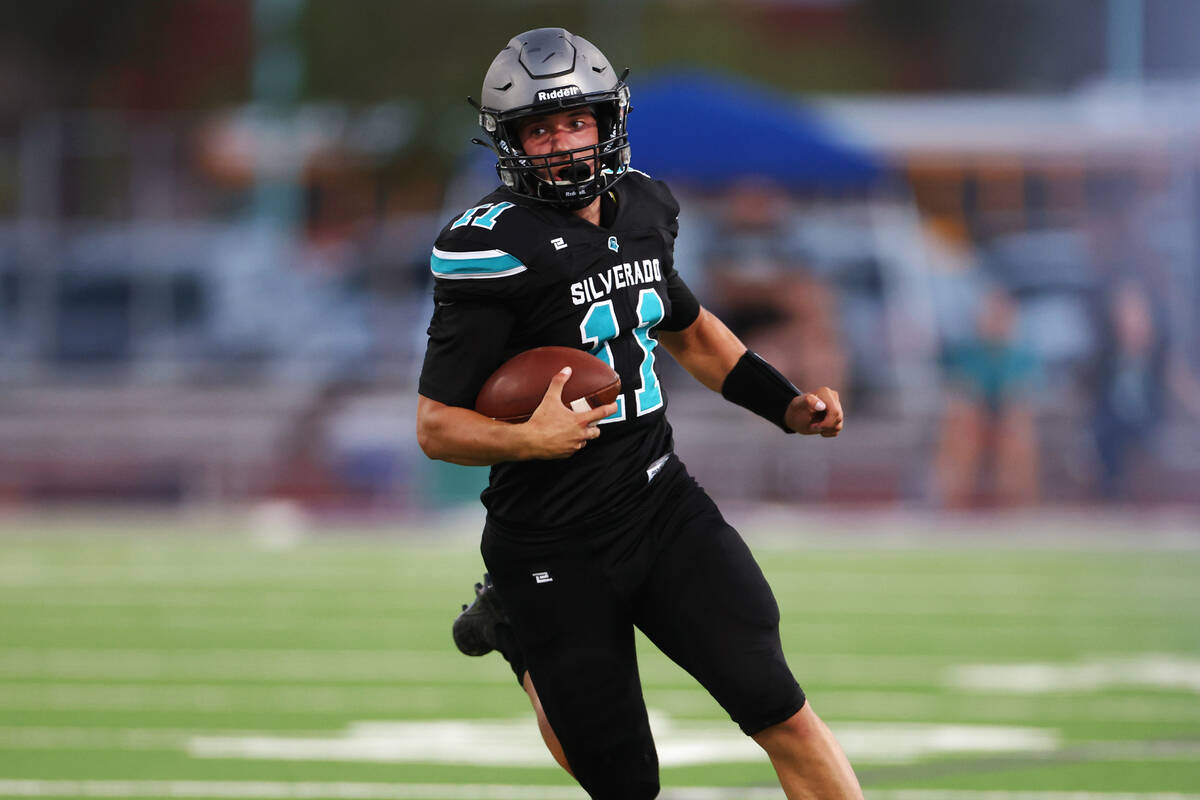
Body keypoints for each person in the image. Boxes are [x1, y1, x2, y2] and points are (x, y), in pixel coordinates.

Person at [415, 28, 860, 800]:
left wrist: (786, 404)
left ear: (605, 121)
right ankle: (519, 635)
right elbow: (435, 425)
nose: (561, 142)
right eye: (540, 129)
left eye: (574, 121)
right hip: (551, 535)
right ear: (511, 141)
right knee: (624, 782)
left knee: (777, 707)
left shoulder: (644, 207)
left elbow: (690, 333)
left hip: (660, 504)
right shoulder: (491, 249)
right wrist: (526, 438)